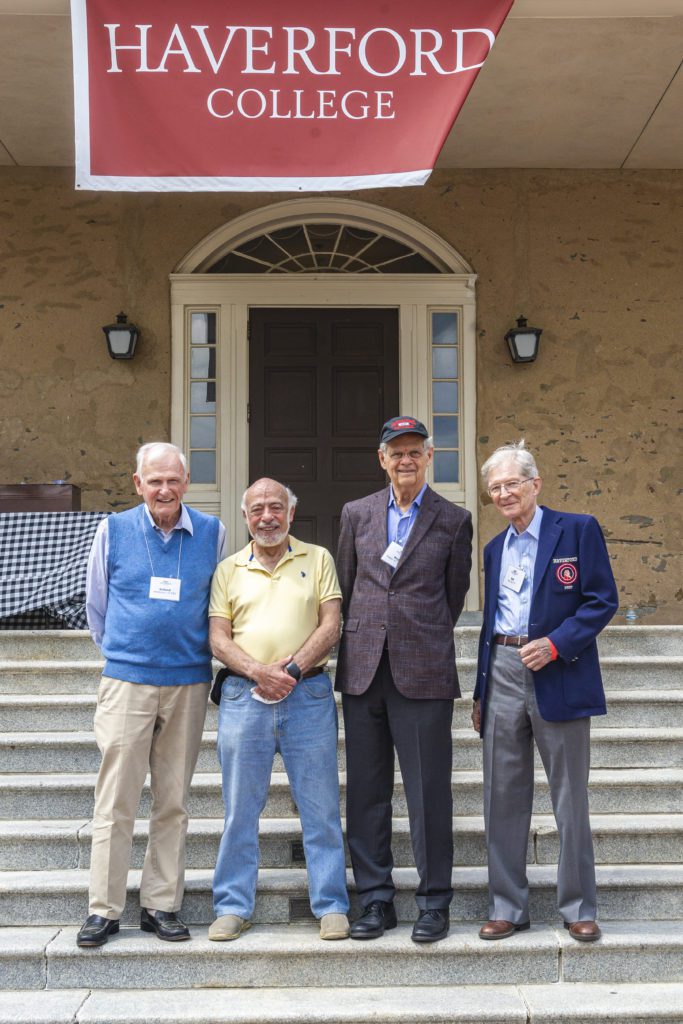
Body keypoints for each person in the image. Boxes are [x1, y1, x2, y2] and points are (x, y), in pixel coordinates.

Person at [77, 442, 225, 948]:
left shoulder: (213, 532)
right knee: (116, 798)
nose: (165, 489)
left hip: (188, 681)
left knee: (173, 801)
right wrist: (126, 654)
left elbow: (216, 605)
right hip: (128, 681)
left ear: (187, 482)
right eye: (154, 480)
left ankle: (161, 905)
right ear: (138, 484)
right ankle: (104, 909)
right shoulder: (112, 530)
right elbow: (97, 605)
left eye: (174, 480)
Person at [473, 440, 618, 943]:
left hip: (558, 669)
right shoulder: (494, 549)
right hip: (503, 670)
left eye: (512, 483)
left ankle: (579, 905)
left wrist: (555, 646)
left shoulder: (577, 529)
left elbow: (602, 601)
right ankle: (507, 907)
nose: (504, 493)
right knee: (501, 797)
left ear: (535, 484)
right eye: (495, 488)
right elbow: (489, 623)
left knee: (568, 798)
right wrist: (480, 691)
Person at [335, 416, 473, 943]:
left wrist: (419, 634)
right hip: (364, 668)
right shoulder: (357, 514)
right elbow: (346, 586)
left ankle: (434, 902)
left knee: (428, 792)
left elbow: (453, 594)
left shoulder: (453, 519)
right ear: (382, 459)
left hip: (424, 670)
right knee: (367, 792)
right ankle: (375, 901)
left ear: (428, 456)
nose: (406, 460)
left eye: (415, 451)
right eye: (397, 452)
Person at [207, 477, 349, 942]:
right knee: (239, 809)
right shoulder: (228, 568)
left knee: (321, 806)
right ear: (245, 517)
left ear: (291, 512)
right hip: (243, 697)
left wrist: (289, 668)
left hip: (307, 695)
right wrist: (257, 670)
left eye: (275, 508)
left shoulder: (318, 558)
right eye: (256, 510)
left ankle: (330, 904)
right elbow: (217, 636)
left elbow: (332, 624)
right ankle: (232, 905)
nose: (266, 517)